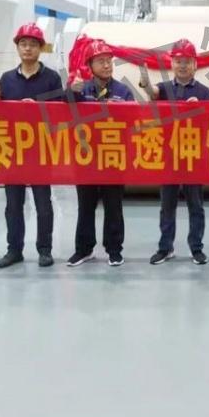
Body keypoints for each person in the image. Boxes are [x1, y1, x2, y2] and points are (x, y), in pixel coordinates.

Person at [0, 23, 64, 268]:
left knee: (43, 204)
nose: (28, 48)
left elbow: (60, 112)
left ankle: (44, 249)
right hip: (13, 150)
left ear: (40, 48)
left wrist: (38, 107)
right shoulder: (7, 79)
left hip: (40, 149)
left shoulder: (52, 78)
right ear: (18, 48)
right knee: (13, 205)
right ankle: (14, 250)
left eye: (33, 44)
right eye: (23, 44)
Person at [146, 38, 209, 266]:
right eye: (178, 61)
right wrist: (145, 83)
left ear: (195, 64)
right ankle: (165, 248)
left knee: (196, 206)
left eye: (187, 61)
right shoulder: (165, 88)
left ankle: (196, 248)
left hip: (194, 156)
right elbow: (153, 93)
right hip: (169, 156)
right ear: (172, 64)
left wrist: (200, 108)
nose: (182, 66)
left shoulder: (204, 92)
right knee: (167, 206)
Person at [68, 39, 133, 267]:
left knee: (114, 206)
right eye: (101, 61)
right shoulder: (81, 89)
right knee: (85, 206)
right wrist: (72, 92)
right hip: (85, 158)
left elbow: (133, 122)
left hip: (113, 156)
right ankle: (83, 249)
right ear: (90, 65)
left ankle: (114, 250)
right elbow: (64, 112)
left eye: (109, 61)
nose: (106, 65)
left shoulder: (123, 91)